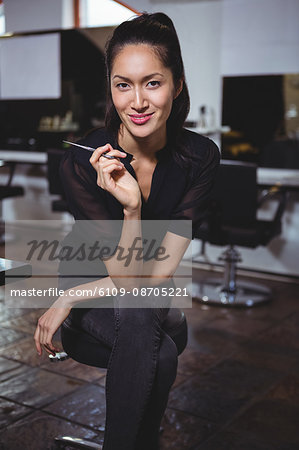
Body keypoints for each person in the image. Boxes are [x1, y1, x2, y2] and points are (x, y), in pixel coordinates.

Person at [33, 12, 220, 450]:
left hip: (141, 287)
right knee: (158, 343)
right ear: (111, 89)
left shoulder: (199, 157)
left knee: (142, 312)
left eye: (152, 83)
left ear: (177, 85)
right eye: (123, 85)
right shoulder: (83, 161)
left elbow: (149, 279)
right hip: (95, 286)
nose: (137, 101)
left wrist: (133, 207)